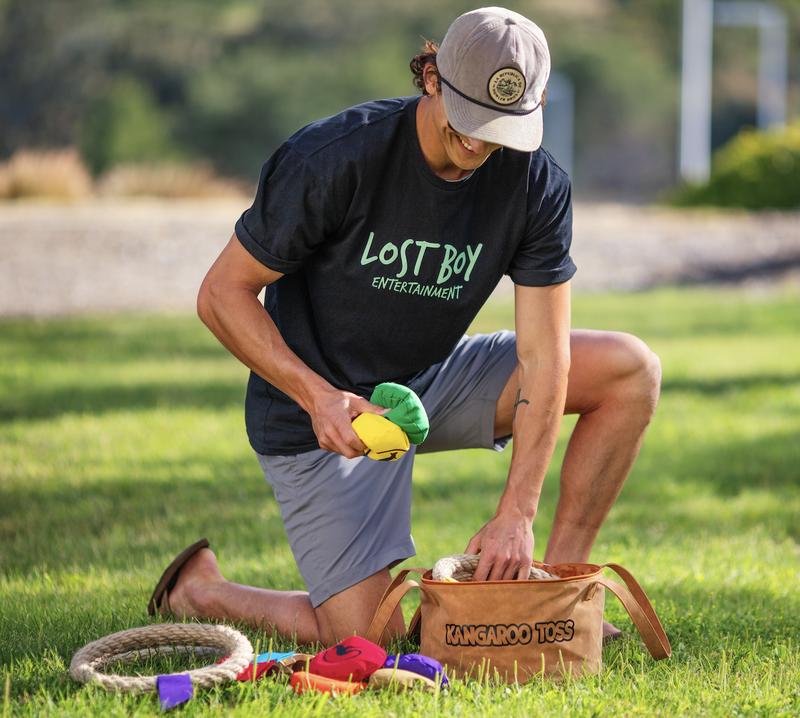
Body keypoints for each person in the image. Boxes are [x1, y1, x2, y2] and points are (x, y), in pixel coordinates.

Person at [148, 7, 661, 647]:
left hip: (428, 380)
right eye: (469, 120)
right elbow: (222, 294)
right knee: (375, 641)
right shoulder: (333, 157)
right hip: (319, 413)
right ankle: (203, 591)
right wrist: (318, 397)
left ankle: (556, 595)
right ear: (432, 79)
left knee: (630, 370)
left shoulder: (535, 185)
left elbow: (546, 358)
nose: (480, 143)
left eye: (501, 127)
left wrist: (516, 514)